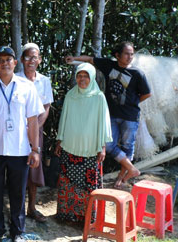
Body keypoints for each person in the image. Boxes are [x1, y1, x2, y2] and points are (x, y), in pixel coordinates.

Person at [65, 42, 151, 188]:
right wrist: (74, 58)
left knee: (127, 147)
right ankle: (131, 168)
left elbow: (146, 94)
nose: (130, 57)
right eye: (126, 53)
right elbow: (90, 59)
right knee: (109, 145)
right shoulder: (109, 65)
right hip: (111, 114)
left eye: (132, 54)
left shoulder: (138, 73)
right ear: (117, 55)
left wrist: (133, 103)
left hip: (130, 116)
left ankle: (121, 177)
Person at [0, 46, 43, 242]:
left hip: (19, 150)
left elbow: (33, 120)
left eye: (9, 59)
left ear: (15, 63)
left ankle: (18, 232)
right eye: (1, 60)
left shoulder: (27, 87)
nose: (5, 63)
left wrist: (35, 149)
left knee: (17, 193)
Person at [54, 63, 112, 223]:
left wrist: (102, 147)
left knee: (89, 185)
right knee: (68, 182)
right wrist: (60, 140)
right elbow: (64, 119)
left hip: (91, 149)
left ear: (92, 77)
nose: (82, 79)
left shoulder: (99, 97)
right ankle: (67, 215)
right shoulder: (71, 95)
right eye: (79, 75)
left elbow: (104, 124)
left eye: (86, 76)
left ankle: (86, 218)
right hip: (70, 147)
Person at [16, 43, 53, 223]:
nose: (32, 60)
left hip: (36, 129)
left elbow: (46, 106)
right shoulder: (15, 78)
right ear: (22, 59)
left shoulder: (44, 81)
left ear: (39, 60)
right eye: (28, 57)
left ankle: (31, 207)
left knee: (33, 168)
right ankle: (16, 209)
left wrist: (37, 126)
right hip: (15, 130)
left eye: (35, 57)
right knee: (16, 168)